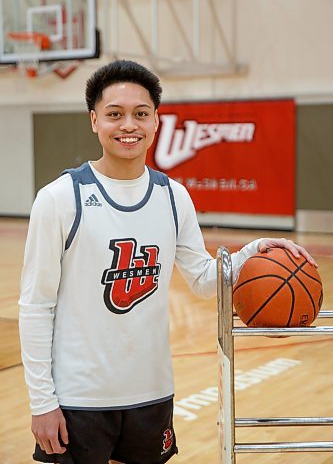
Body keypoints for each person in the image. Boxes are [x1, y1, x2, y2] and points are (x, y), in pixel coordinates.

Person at [19, 59, 317, 464]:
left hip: (151, 392)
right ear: (94, 121)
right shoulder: (58, 199)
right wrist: (42, 402)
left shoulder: (173, 196)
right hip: (78, 397)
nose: (128, 125)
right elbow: (36, 307)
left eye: (141, 114)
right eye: (114, 114)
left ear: (156, 121)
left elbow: (204, 279)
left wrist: (255, 250)